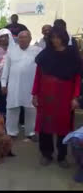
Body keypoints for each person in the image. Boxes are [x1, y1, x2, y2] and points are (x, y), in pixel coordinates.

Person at [33, 27, 82, 167]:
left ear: (64, 38)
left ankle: (62, 156)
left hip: (65, 96)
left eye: (58, 37)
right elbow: (38, 76)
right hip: (46, 95)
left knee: (63, 127)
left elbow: (77, 79)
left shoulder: (73, 55)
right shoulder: (45, 54)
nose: (55, 40)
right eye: (53, 37)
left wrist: (75, 97)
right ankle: (46, 154)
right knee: (45, 126)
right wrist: (35, 94)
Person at [1, 30, 42, 141]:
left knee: (31, 109)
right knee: (12, 108)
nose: (23, 39)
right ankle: (11, 132)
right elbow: (6, 68)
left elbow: (42, 69)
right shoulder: (11, 51)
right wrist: (3, 84)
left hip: (31, 85)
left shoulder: (37, 51)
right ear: (17, 39)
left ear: (30, 38)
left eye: (25, 37)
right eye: (20, 38)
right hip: (14, 85)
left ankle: (30, 132)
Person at [0, 28, 15, 116]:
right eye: (1, 37)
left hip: (13, 79)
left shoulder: (15, 48)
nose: (3, 39)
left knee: (12, 99)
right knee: (1, 99)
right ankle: (2, 118)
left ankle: (14, 117)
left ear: (9, 37)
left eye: (5, 37)